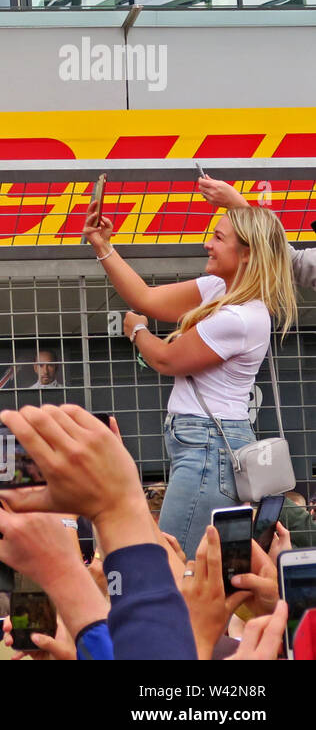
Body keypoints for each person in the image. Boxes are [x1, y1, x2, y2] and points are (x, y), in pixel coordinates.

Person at [83, 198, 296, 553]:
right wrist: (102, 245)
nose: (207, 244)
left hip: (210, 447)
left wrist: (137, 332)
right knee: (188, 565)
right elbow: (147, 298)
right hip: (206, 444)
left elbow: (167, 359)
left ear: (246, 253)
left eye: (218, 237)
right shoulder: (220, 290)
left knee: (174, 564)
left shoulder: (241, 317)